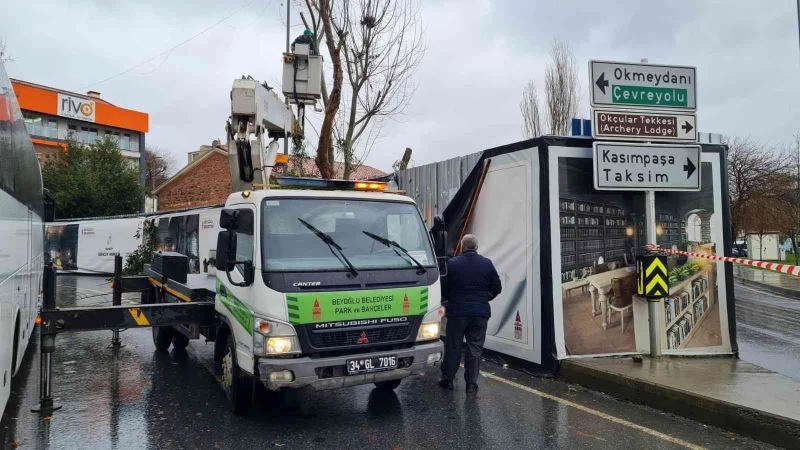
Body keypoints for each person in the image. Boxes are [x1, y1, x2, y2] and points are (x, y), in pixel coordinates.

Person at [439, 234, 502, 393]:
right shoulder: (487, 264)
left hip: (457, 312)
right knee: (475, 348)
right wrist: (485, 297)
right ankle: (471, 383)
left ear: (462, 246)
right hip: (480, 312)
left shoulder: (452, 264)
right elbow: (497, 288)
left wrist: (448, 300)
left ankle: (448, 379)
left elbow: (443, 289)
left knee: (454, 346)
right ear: (476, 247)